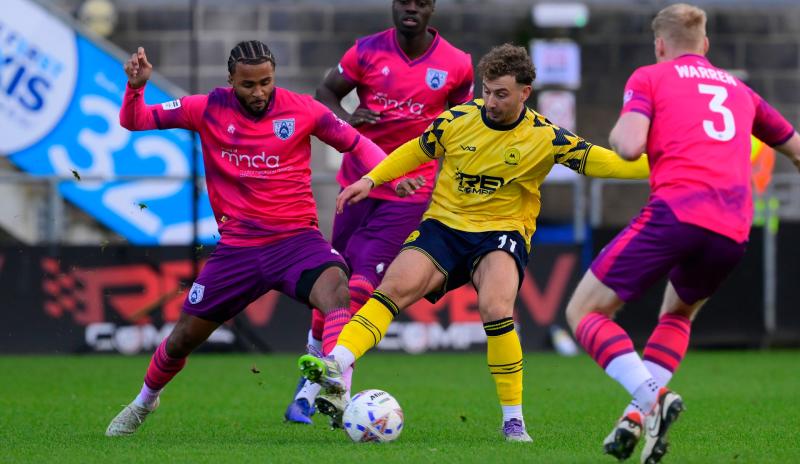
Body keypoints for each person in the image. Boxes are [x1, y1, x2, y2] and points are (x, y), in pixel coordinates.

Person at [295, 43, 651, 442]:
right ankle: (335, 363)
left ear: (525, 93)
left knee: (496, 307)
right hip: (444, 226)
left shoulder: (546, 137)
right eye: (487, 91)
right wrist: (371, 179)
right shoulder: (456, 120)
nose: (491, 102)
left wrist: (667, 162)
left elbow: (607, 162)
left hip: (501, 233)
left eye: (502, 94)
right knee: (391, 289)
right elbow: (415, 150)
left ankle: (513, 420)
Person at [105, 40, 395, 436]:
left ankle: (339, 387)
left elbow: (359, 144)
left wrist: (384, 177)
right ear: (231, 81)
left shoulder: (304, 110)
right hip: (239, 251)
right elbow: (134, 120)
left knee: (337, 290)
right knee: (181, 340)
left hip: (297, 241)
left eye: (266, 82)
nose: (259, 92)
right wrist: (136, 88)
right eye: (248, 85)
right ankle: (144, 402)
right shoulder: (206, 108)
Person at [562, 4, 800, 463]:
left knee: (584, 311)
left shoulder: (650, 77)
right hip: (733, 228)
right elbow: (796, 150)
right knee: (678, 314)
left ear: (660, 45)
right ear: (705, 45)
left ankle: (653, 398)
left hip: (677, 212)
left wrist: (620, 129)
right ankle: (636, 417)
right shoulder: (741, 90)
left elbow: (629, 146)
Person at [285, 0, 474, 425]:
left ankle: (333, 389)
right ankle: (308, 384)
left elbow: (463, 124)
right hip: (356, 185)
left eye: (420, 2)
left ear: (431, 8)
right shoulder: (366, 51)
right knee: (331, 282)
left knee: (360, 286)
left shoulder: (457, 64)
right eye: (404, 0)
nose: (411, 8)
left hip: (408, 193)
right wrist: (348, 119)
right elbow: (325, 94)